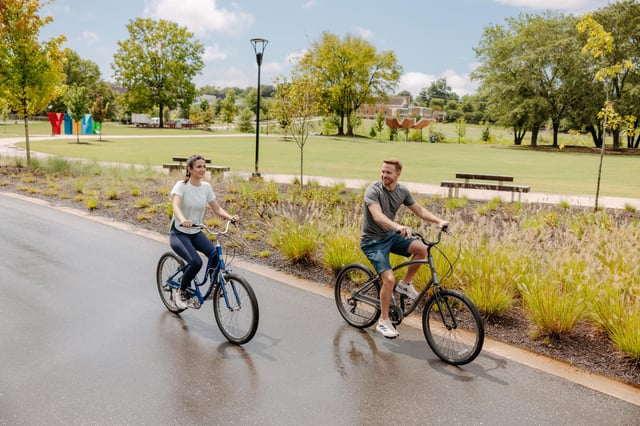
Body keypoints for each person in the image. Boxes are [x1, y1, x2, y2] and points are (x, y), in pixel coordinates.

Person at [360, 158, 448, 339]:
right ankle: (383, 321)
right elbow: (377, 216)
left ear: (398, 174)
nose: (384, 175)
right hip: (373, 241)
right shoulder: (373, 190)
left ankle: (405, 285)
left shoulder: (402, 191)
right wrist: (398, 227)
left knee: (422, 249)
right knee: (388, 279)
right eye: (382, 171)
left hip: (389, 236)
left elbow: (420, 210)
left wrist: (439, 221)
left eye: (388, 172)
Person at [169, 154, 239, 309]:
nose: (203, 169)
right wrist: (182, 219)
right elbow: (176, 206)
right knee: (196, 262)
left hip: (195, 232)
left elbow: (216, 208)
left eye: (204, 166)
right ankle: (180, 290)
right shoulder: (182, 186)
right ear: (190, 169)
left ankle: (214, 286)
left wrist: (230, 217)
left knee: (214, 255)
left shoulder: (206, 187)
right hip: (179, 232)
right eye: (199, 166)